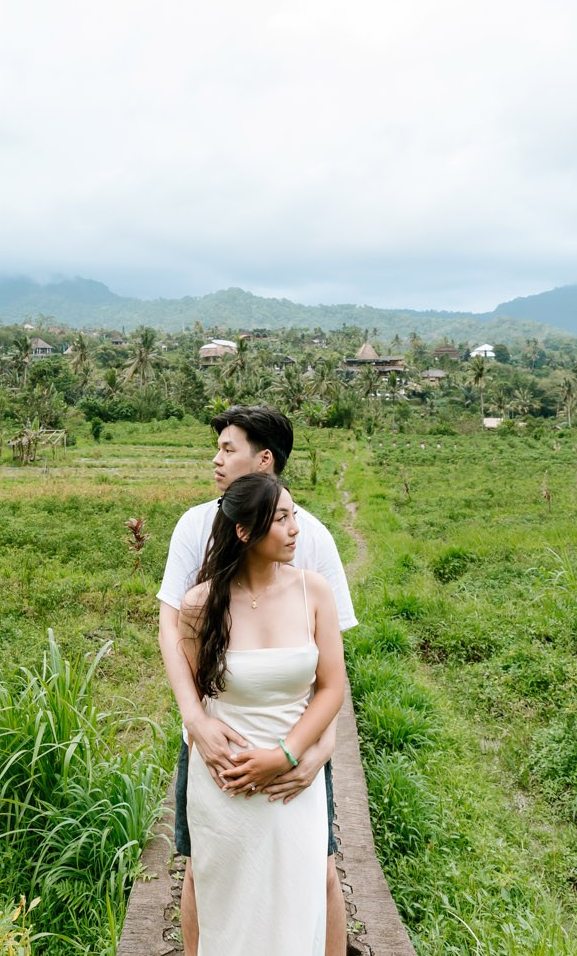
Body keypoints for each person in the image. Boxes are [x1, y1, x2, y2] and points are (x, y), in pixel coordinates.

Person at [158, 406, 356, 954]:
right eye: (218, 448)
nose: (216, 459)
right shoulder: (195, 530)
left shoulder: (309, 544)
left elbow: (331, 677)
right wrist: (195, 722)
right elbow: (175, 639)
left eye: (228, 448)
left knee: (317, 875)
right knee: (210, 878)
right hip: (222, 753)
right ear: (243, 531)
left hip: (296, 750)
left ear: (263, 459)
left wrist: (310, 750)